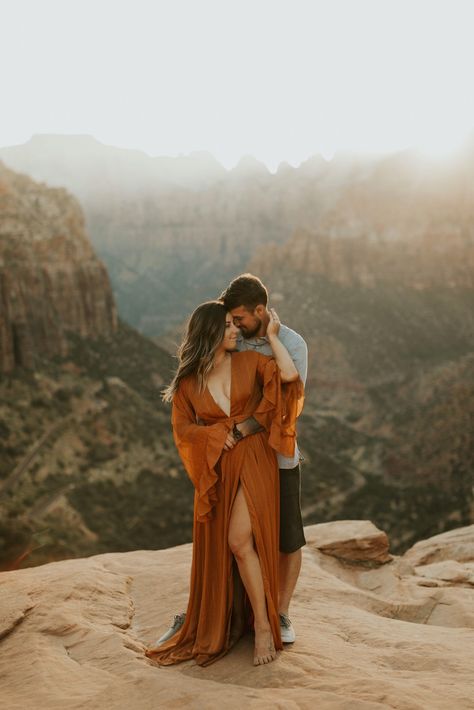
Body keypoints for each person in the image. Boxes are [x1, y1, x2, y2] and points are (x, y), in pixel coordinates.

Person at [145, 301, 304, 667]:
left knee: (237, 540)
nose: (236, 331)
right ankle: (231, 617)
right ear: (211, 333)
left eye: (236, 324)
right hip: (221, 464)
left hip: (254, 459)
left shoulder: (251, 362)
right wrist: (216, 434)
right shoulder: (188, 384)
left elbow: (289, 378)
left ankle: (264, 625)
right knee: (230, 544)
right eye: (229, 326)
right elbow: (183, 429)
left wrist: (272, 337)